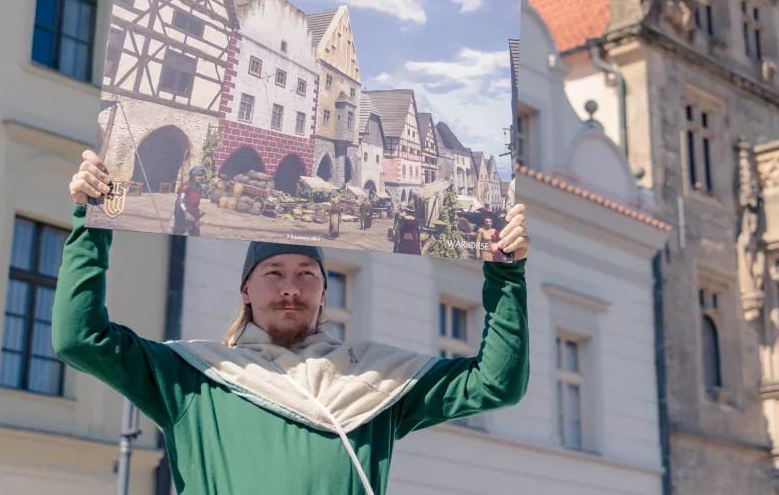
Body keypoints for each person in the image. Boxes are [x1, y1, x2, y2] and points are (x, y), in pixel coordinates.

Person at [55, 151, 529, 495]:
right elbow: (80, 339)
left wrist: (506, 274)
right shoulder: (193, 377)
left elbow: (495, 384)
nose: (290, 287)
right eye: (273, 273)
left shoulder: (373, 381)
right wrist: (90, 224)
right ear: (246, 289)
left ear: (324, 292)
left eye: (306, 274)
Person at [172, 166, 204, 237]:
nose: (199, 177)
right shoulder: (185, 186)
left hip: (194, 214)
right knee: (178, 232)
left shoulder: (199, 187)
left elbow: (195, 200)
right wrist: (185, 213)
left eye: (201, 176)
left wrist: (197, 210)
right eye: (197, 175)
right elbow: (180, 201)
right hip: (183, 214)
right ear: (192, 175)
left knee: (195, 234)